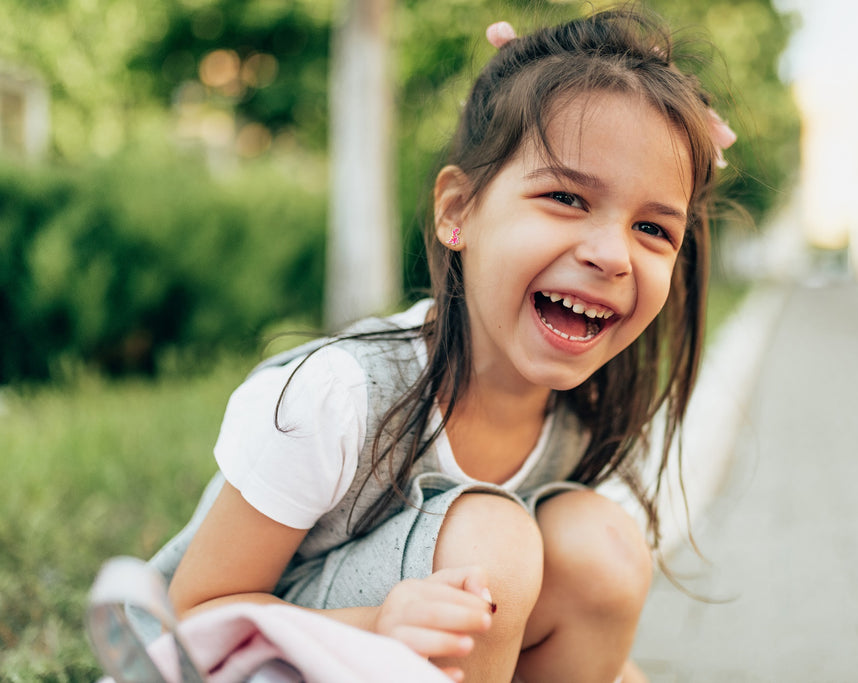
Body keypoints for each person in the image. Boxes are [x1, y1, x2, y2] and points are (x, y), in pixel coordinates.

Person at [152, 8, 736, 683]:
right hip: (253, 659)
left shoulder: (576, 420)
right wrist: (374, 629)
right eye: (567, 197)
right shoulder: (339, 395)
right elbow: (191, 616)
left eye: (653, 229)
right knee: (493, 544)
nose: (611, 254)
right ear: (458, 210)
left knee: (602, 545)